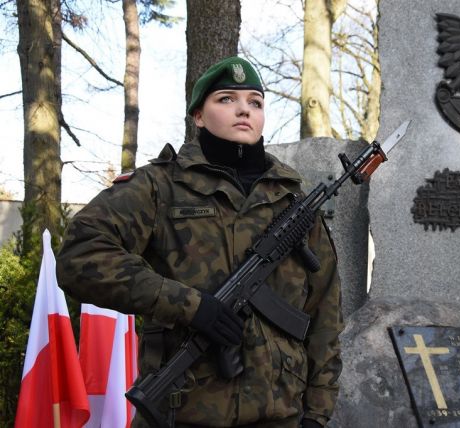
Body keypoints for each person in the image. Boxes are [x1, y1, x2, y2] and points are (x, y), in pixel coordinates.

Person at [57, 56, 343, 428]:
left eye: (255, 102)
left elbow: (325, 313)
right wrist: (190, 307)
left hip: (279, 417)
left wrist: (317, 416)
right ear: (198, 115)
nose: (244, 110)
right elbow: (81, 255)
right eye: (226, 99)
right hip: (180, 413)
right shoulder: (159, 186)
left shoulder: (293, 202)